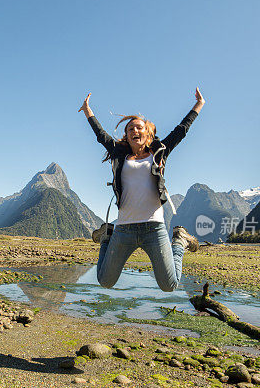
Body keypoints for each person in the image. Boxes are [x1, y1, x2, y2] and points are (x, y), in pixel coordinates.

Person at [79, 88, 205, 292]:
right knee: (105, 281)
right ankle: (106, 237)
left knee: (169, 285)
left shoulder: (159, 152)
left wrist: (198, 105)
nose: (135, 131)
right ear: (126, 136)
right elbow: (101, 136)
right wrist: (87, 111)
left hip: (154, 229)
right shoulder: (118, 154)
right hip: (124, 229)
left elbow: (181, 130)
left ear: (147, 133)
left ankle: (180, 241)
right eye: (130, 129)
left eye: (138, 128)